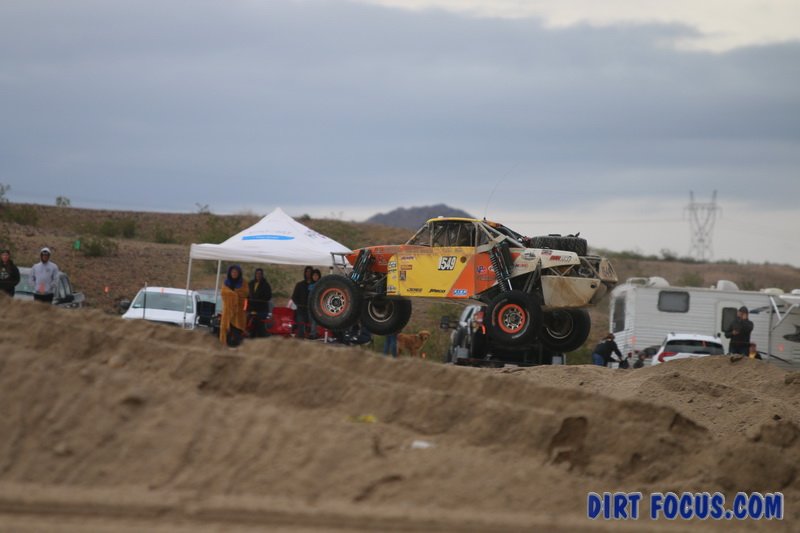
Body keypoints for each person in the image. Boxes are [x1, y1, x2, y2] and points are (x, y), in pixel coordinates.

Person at [219, 265, 249, 346]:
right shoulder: (226, 283)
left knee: (237, 333)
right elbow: (223, 293)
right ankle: (225, 347)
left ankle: (236, 348)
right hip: (228, 311)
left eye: (236, 272)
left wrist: (233, 295)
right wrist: (234, 295)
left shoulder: (243, 283)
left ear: (239, 273)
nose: (234, 273)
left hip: (239, 312)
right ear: (230, 273)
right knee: (226, 332)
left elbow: (245, 293)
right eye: (232, 272)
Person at [247, 268, 272, 338]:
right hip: (251, 309)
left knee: (260, 326)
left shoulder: (266, 285)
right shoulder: (251, 283)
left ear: (262, 275)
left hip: (261, 310)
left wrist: (258, 299)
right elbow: (247, 295)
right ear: (255, 274)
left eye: (260, 274)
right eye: (257, 273)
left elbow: (268, 296)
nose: (258, 275)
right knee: (250, 326)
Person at [291, 266, 313, 339]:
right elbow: (294, 297)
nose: (308, 273)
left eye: (310, 272)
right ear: (305, 273)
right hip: (301, 310)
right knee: (300, 324)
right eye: (307, 272)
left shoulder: (315, 285)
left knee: (311, 327)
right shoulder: (299, 285)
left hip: (312, 310)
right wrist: (299, 304)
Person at [307, 269, 322, 339]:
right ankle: (314, 333)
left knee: (314, 320)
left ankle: (313, 334)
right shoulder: (310, 285)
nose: (315, 277)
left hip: (317, 306)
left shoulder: (321, 285)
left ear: (319, 276)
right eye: (314, 275)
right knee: (311, 320)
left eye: (316, 275)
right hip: (310, 305)